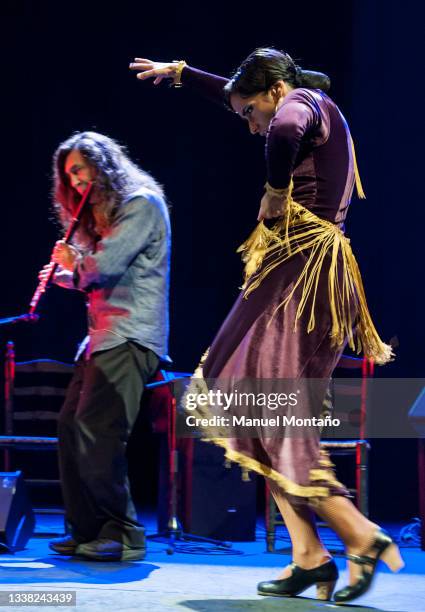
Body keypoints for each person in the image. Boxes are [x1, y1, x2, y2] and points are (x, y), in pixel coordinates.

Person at [129, 50, 403, 600]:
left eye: (251, 110)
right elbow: (261, 114)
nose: (252, 125)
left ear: (274, 90)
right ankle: (309, 555)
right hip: (293, 272)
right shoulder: (293, 103)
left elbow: (283, 127)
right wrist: (184, 75)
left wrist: (275, 191)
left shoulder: (300, 103)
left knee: (261, 402)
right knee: (249, 406)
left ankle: (360, 534)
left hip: (302, 273)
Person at [42, 131, 171, 561]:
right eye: (69, 176)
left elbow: (107, 266)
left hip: (131, 334)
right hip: (100, 337)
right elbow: (91, 277)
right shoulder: (109, 215)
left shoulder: (140, 204)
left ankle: (124, 533)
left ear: (102, 164)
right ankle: (87, 529)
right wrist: (66, 275)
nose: (76, 183)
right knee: (69, 428)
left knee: (99, 431)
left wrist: (74, 264)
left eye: (80, 170)